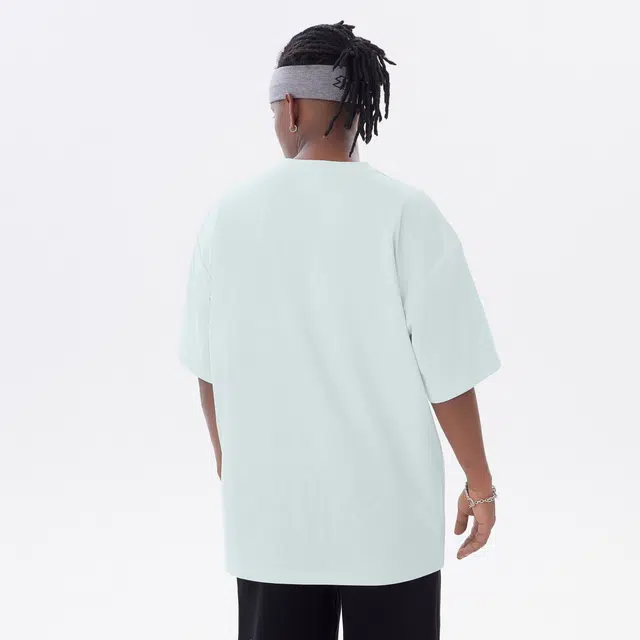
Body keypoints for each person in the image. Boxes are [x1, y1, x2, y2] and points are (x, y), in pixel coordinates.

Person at [179, 20, 501, 640]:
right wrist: (481, 486)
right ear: (358, 109)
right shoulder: (406, 212)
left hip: (272, 524)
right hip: (390, 523)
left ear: (291, 107)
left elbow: (208, 370)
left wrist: (237, 471)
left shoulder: (227, 217)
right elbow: (450, 372)